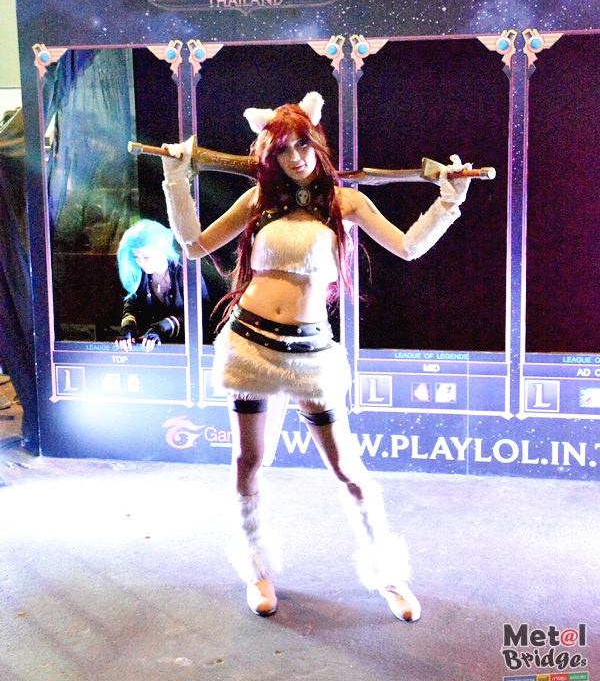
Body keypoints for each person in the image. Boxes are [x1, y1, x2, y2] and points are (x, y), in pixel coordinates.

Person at [160, 91, 471, 621]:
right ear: (271, 155)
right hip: (250, 344)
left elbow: (408, 247)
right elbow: (194, 246)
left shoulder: (344, 203)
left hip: (311, 354)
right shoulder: (258, 201)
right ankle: (257, 569)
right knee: (248, 462)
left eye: (303, 145)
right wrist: (175, 181)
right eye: (283, 149)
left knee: (348, 469)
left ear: (317, 143)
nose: (296, 157)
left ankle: (388, 574)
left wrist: (449, 201)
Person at [115, 219, 184, 352]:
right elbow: (131, 307)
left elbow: (200, 315)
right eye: (136, 258)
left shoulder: (185, 271)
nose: (141, 263)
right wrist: (127, 328)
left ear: (163, 250)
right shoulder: (139, 274)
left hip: (184, 348)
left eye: (147, 257)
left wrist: (161, 328)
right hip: (148, 348)